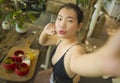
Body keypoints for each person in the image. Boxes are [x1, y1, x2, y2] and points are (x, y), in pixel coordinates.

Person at [34, 3, 120, 83]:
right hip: (53, 77)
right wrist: (45, 32)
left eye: (69, 21)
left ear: (79, 26)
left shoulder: (75, 51)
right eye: (59, 19)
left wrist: (106, 62)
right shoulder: (60, 39)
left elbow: (82, 63)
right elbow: (43, 42)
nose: (62, 24)